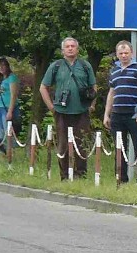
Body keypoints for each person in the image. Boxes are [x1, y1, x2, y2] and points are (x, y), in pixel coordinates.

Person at [40, 37, 97, 180]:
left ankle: (81, 175)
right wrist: (51, 107)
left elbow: (93, 87)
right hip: (61, 112)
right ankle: (64, 175)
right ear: (62, 50)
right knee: (63, 144)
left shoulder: (85, 65)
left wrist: (92, 105)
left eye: (73, 46)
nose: (70, 48)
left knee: (81, 143)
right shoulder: (56, 66)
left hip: (81, 111)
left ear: (77, 49)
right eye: (67, 46)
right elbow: (43, 87)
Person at [103, 40, 137, 182]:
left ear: (131, 53)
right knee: (119, 146)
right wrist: (106, 114)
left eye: (126, 53)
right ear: (117, 54)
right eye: (121, 53)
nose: (123, 56)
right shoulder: (114, 71)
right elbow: (111, 93)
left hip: (134, 113)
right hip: (117, 114)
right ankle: (121, 178)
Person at [0, 57, 19, 143]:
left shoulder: (12, 78)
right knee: (0, 133)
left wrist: (10, 111)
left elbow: (13, 95)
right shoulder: (0, 79)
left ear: (7, 66)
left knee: (7, 131)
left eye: (3, 65)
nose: (1, 68)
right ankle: (5, 151)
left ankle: (11, 151)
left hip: (7, 107)